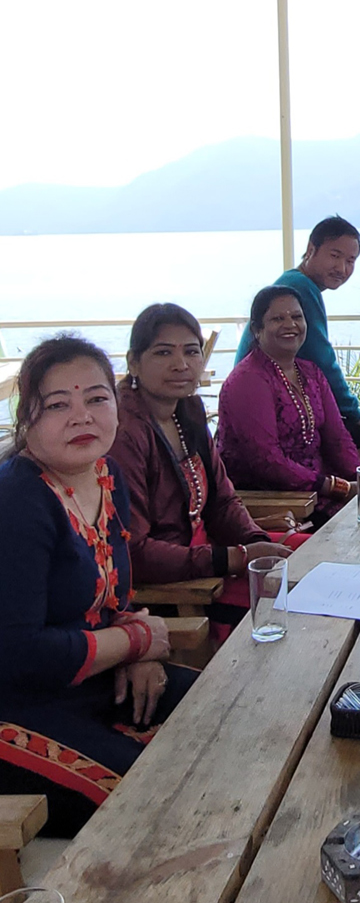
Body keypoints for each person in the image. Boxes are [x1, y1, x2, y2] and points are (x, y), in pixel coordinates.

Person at [0, 334, 195, 836]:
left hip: (90, 683)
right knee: (158, 800)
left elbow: (114, 601)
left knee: (227, 719)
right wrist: (136, 641)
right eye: (57, 404)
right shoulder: (17, 501)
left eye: (96, 398)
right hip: (16, 706)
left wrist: (142, 650)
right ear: (28, 419)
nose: (82, 416)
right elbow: (19, 654)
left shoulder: (106, 476)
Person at [111, 303, 291, 591]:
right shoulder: (123, 432)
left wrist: (255, 541)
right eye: (163, 352)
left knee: (326, 555)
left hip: (213, 554)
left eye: (192, 351)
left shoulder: (188, 409)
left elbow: (223, 500)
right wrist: (234, 558)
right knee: (299, 587)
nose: (181, 364)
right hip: (182, 585)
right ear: (133, 362)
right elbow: (132, 551)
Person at [235, 216, 360, 465]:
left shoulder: (295, 282)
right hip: (267, 402)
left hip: (282, 397)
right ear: (311, 250)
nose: (342, 268)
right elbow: (323, 359)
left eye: (350, 261)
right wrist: (354, 412)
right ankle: (357, 501)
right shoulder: (300, 288)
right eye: (335, 256)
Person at [219, 286, 360, 525]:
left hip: (317, 490)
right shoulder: (248, 380)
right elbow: (266, 461)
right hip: (274, 500)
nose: (290, 325)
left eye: (296, 317)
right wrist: (338, 487)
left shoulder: (311, 372)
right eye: (277, 318)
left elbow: (338, 438)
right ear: (256, 329)